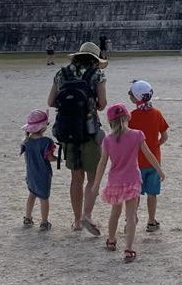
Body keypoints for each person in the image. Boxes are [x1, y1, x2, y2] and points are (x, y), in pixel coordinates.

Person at [92, 103, 165, 263]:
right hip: (132, 180)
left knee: (115, 213)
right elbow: (149, 154)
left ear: (110, 122)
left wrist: (96, 184)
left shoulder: (108, 140)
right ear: (127, 118)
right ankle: (129, 249)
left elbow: (102, 163)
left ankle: (111, 240)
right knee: (131, 216)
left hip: (115, 182)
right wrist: (159, 169)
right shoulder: (137, 135)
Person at [47, 41, 107, 234]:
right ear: (95, 59)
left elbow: (50, 101)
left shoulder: (61, 74)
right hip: (89, 129)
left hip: (67, 131)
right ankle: (87, 214)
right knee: (92, 177)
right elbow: (103, 104)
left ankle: (77, 221)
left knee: (76, 177)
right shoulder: (97, 74)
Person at [127, 80, 169, 233]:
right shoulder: (157, 113)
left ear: (135, 98)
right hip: (154, 161)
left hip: (136, 162)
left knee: (135, 193)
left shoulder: (131, 116)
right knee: (152, 193)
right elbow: (164, 136)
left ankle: (131, 219)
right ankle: (151, 221)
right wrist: (156, 145)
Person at [20, 109, 56, 231]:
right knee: (44, 198)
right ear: (43, 127)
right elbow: (50, 158)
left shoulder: (27, 141)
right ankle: (44, 222)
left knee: (32, 194)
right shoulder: (46, 142)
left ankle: (28, 218)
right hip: (43, 174)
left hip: (31, 174)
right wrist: (57, 159)